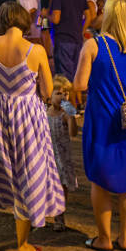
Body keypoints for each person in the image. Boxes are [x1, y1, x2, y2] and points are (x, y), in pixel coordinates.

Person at [0, 1, 64, 251]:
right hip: (27, 117)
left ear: (1, 20)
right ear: (24, 20)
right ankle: (22, 246)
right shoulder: (36, 50)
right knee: (26, 174)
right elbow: (46, 92)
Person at [73, 0, 126, 251]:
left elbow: (79, 85)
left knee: (100, 181)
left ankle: (104, 239)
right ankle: (125, 238)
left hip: (103, 123)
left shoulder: (93, 46)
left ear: (107, 16)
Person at [45, 75, 78, 232]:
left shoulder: (65, 114)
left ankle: (60, 217)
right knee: (44, 185)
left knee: (62, 186)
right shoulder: (43, 112)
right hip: (46, 155)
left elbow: (73, 133)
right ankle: (41, 214)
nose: (62, 97)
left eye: (65, 94)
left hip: (61, 156)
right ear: (50, 95)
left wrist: (72, 117)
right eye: (58, 93)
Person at [50, 0, 88, 80]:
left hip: (63, 41)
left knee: (64, 79)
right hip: (77, 40)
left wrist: (46, 14)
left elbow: (56, 19)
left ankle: (67, 99)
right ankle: (76, 99)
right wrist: (81, 31)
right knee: (76, 76)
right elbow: (89, 16)